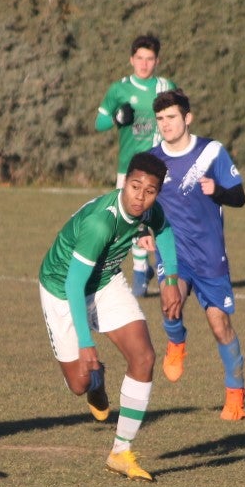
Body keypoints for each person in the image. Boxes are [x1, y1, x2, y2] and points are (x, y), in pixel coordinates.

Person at [38, 152, 183, 482]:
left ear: (157, 193)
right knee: (79, 383)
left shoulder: (150, 210)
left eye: (149, 191)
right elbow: (74, 283)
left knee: (144, 356)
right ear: (124, 182)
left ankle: (120, 452)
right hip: (62, 288)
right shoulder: (101, 222)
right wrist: (87, 344)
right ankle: (96, 380)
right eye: (135, 187)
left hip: (104, 282)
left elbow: (164, 230)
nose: (140, 197)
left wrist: (170, 280)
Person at [148, 89, 245, 421]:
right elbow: (139, 204)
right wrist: (140, 235)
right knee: (170, 302)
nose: (166, 124)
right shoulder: (152, 160)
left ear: (187, 118)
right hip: (173, 253)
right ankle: (176, 343)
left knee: (220, 326)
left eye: (172, 117)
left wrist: (217, 191)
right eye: (161, 119)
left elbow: (239, 197)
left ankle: (235, 394)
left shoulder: (211, 152)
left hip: (210, 255)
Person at [95, 33, 177, 298]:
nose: (144, 64)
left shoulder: (166, 87)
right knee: (133, 217)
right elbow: (100, 122)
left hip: (162, 165)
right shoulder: (119, 90)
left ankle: (169, 271)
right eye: (139, 58)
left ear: (157, 60)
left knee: (164, 219)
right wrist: (118, 118)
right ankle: (141, 270)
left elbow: (178, 122)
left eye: (149, 59)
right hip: (129, 168)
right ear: (132, 60)